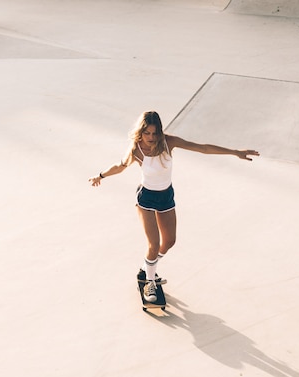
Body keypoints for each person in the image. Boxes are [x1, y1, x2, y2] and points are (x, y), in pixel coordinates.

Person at [88, 111, 259, 303]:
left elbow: (202, 148)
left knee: (169, 242)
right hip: (146, 199)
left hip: (166, 197)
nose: (151, 138)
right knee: (153, 244)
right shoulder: (137, 150)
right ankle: (149, 282)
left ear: (160, 132)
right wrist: (100, 176)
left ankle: (147, 268)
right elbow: (120, 166)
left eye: (154, 133)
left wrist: (235, 152)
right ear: (141, 132)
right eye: (147, 134)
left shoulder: (169, 142)